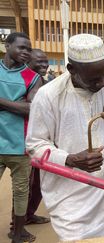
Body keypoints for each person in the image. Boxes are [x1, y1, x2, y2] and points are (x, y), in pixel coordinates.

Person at [26, 33, 104, 242]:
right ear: (72, 70)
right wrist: (70, 159)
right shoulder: (49, 95)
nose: (103, 83)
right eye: (94, 79)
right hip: (70, 197)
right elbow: (35, 145)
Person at [0, 32, 43, 243]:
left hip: (20, 146)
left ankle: (18, 233)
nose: (26, 52)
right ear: (7, 46)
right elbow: (24, 106)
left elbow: (31, 109)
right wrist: (16, 105)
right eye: (21, 48)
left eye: (28, 49)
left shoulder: (33, 77)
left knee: (21, 192)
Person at [18, 48, 51, 225]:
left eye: (46, 62)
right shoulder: (23, 81)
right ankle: (18, 224)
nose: (44, 65)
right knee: (25, 186)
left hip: (43, 141)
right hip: (22, 141)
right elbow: (30, 108)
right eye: (39, 62)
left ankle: (29, 215)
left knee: (37, 184)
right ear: (27, 62)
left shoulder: (44, 83)